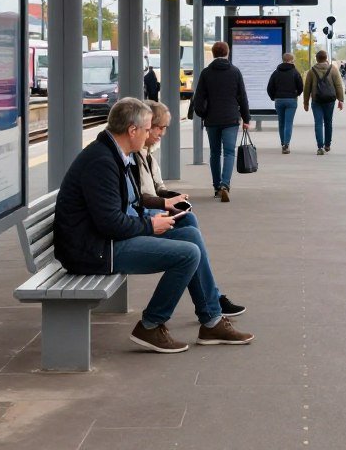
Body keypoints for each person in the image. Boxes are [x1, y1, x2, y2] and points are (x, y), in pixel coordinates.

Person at [53, 98, 252, 352]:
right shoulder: (102, 162)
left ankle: (211, 319)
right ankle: (151, 325)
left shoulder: (115, 155)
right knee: (188, 254)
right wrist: (149, 225)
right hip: (95, 250)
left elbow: (122, 210)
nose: (150, 135)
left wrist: (152, 217)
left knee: (189, 233)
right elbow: (110, 223)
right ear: (132, 130)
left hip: (103, 241)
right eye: (148, 129)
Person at [135, 99, 245, 317]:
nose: (162, 133)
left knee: (189, 223)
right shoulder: (131, 157)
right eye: (158, 128)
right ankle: (208, 306)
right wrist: (164, 205)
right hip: (138, 226)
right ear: (140, 128)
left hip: (145, 218)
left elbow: (155, 190)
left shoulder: (145, 155)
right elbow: (139, 197)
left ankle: (211, 301)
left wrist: (172, 199)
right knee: (189, 245)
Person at [191, 41, 250, 202]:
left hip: (212, 119)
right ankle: (225, 184)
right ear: (227, 53)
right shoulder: (235, 72)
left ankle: (217, 187)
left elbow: (199, 98)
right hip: (231, 118)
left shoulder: (206, 73)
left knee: (215, 153)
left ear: (213, 53)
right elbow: (242, 96)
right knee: (230, 152)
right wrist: (246, 118)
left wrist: (203, 113)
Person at [303, 49, 345, 155]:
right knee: (328, 122)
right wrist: (341, 100)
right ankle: (327, 145)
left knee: (318, 123)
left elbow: (307, 87)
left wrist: (306, 102)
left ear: (317, 59)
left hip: (316, 100)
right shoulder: (333, 69)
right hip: (330, 100)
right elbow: (338, 85)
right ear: (326, 58)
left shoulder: (312, 71)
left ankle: (320, 147)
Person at [266, 52, 304, 154]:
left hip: (279, 100)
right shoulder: (295, 72)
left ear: (283, 60)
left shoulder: (276, 72)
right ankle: (286, 145)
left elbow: (269, 87)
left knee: (281, 122)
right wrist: (296, 94)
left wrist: (273, 97)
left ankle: (283, 143)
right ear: (291, 60)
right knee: (288, 123)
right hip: (291, 100)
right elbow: (301, 86)